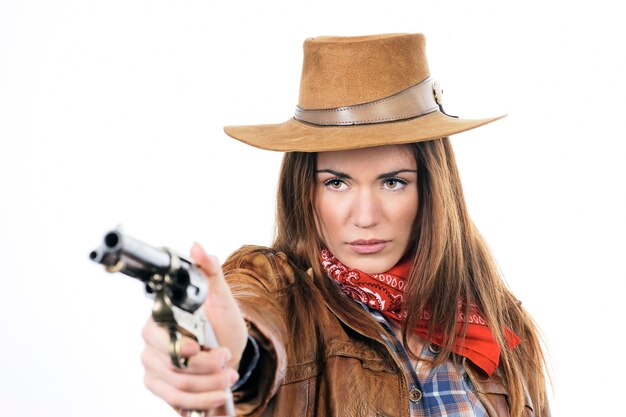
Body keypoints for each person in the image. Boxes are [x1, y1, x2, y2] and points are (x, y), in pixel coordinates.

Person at [140, 33, 550, 417]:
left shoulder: (502, 327)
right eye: (337, 182)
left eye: (393, 182)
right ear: (305, 191)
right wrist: (216, 348)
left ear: (432, 189)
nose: (366, 215)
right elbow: (246, 324)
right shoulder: (280, 289)